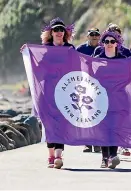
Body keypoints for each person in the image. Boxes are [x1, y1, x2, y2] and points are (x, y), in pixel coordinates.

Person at [39, 17, 75, 169]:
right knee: (49, 123)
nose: (59, 32)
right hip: (48, 91)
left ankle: (59, 157)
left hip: (65, 92)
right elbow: (38, 68)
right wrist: (27, 52)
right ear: (51, 32)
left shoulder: (71, 49)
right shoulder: (45, 49)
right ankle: (51, 155)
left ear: (65, 32)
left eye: (61, 29)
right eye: (56, 30)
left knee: (61, 123)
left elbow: (77, 68)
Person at [94, 30, 127, 169]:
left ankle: (113, 155)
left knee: (115, 128)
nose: (109, 44)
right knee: (104, 129)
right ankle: (104, 157)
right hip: (101, 100)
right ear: (103, 43)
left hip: (118, 100)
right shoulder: (96, 60)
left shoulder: (123, 60)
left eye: (112, 41)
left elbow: (129, 76)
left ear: (116, 44)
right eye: (106, 41)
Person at [76, 27, 102, 153]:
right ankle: (87, 143)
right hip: (84, 85)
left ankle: (96, 142)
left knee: (97, 113)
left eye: (96, 34)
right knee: (86, 113)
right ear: (88, 36)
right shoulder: (80, 49)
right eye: (92, 34)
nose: (94, 37)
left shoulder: (103, 49)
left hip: (99, 86)